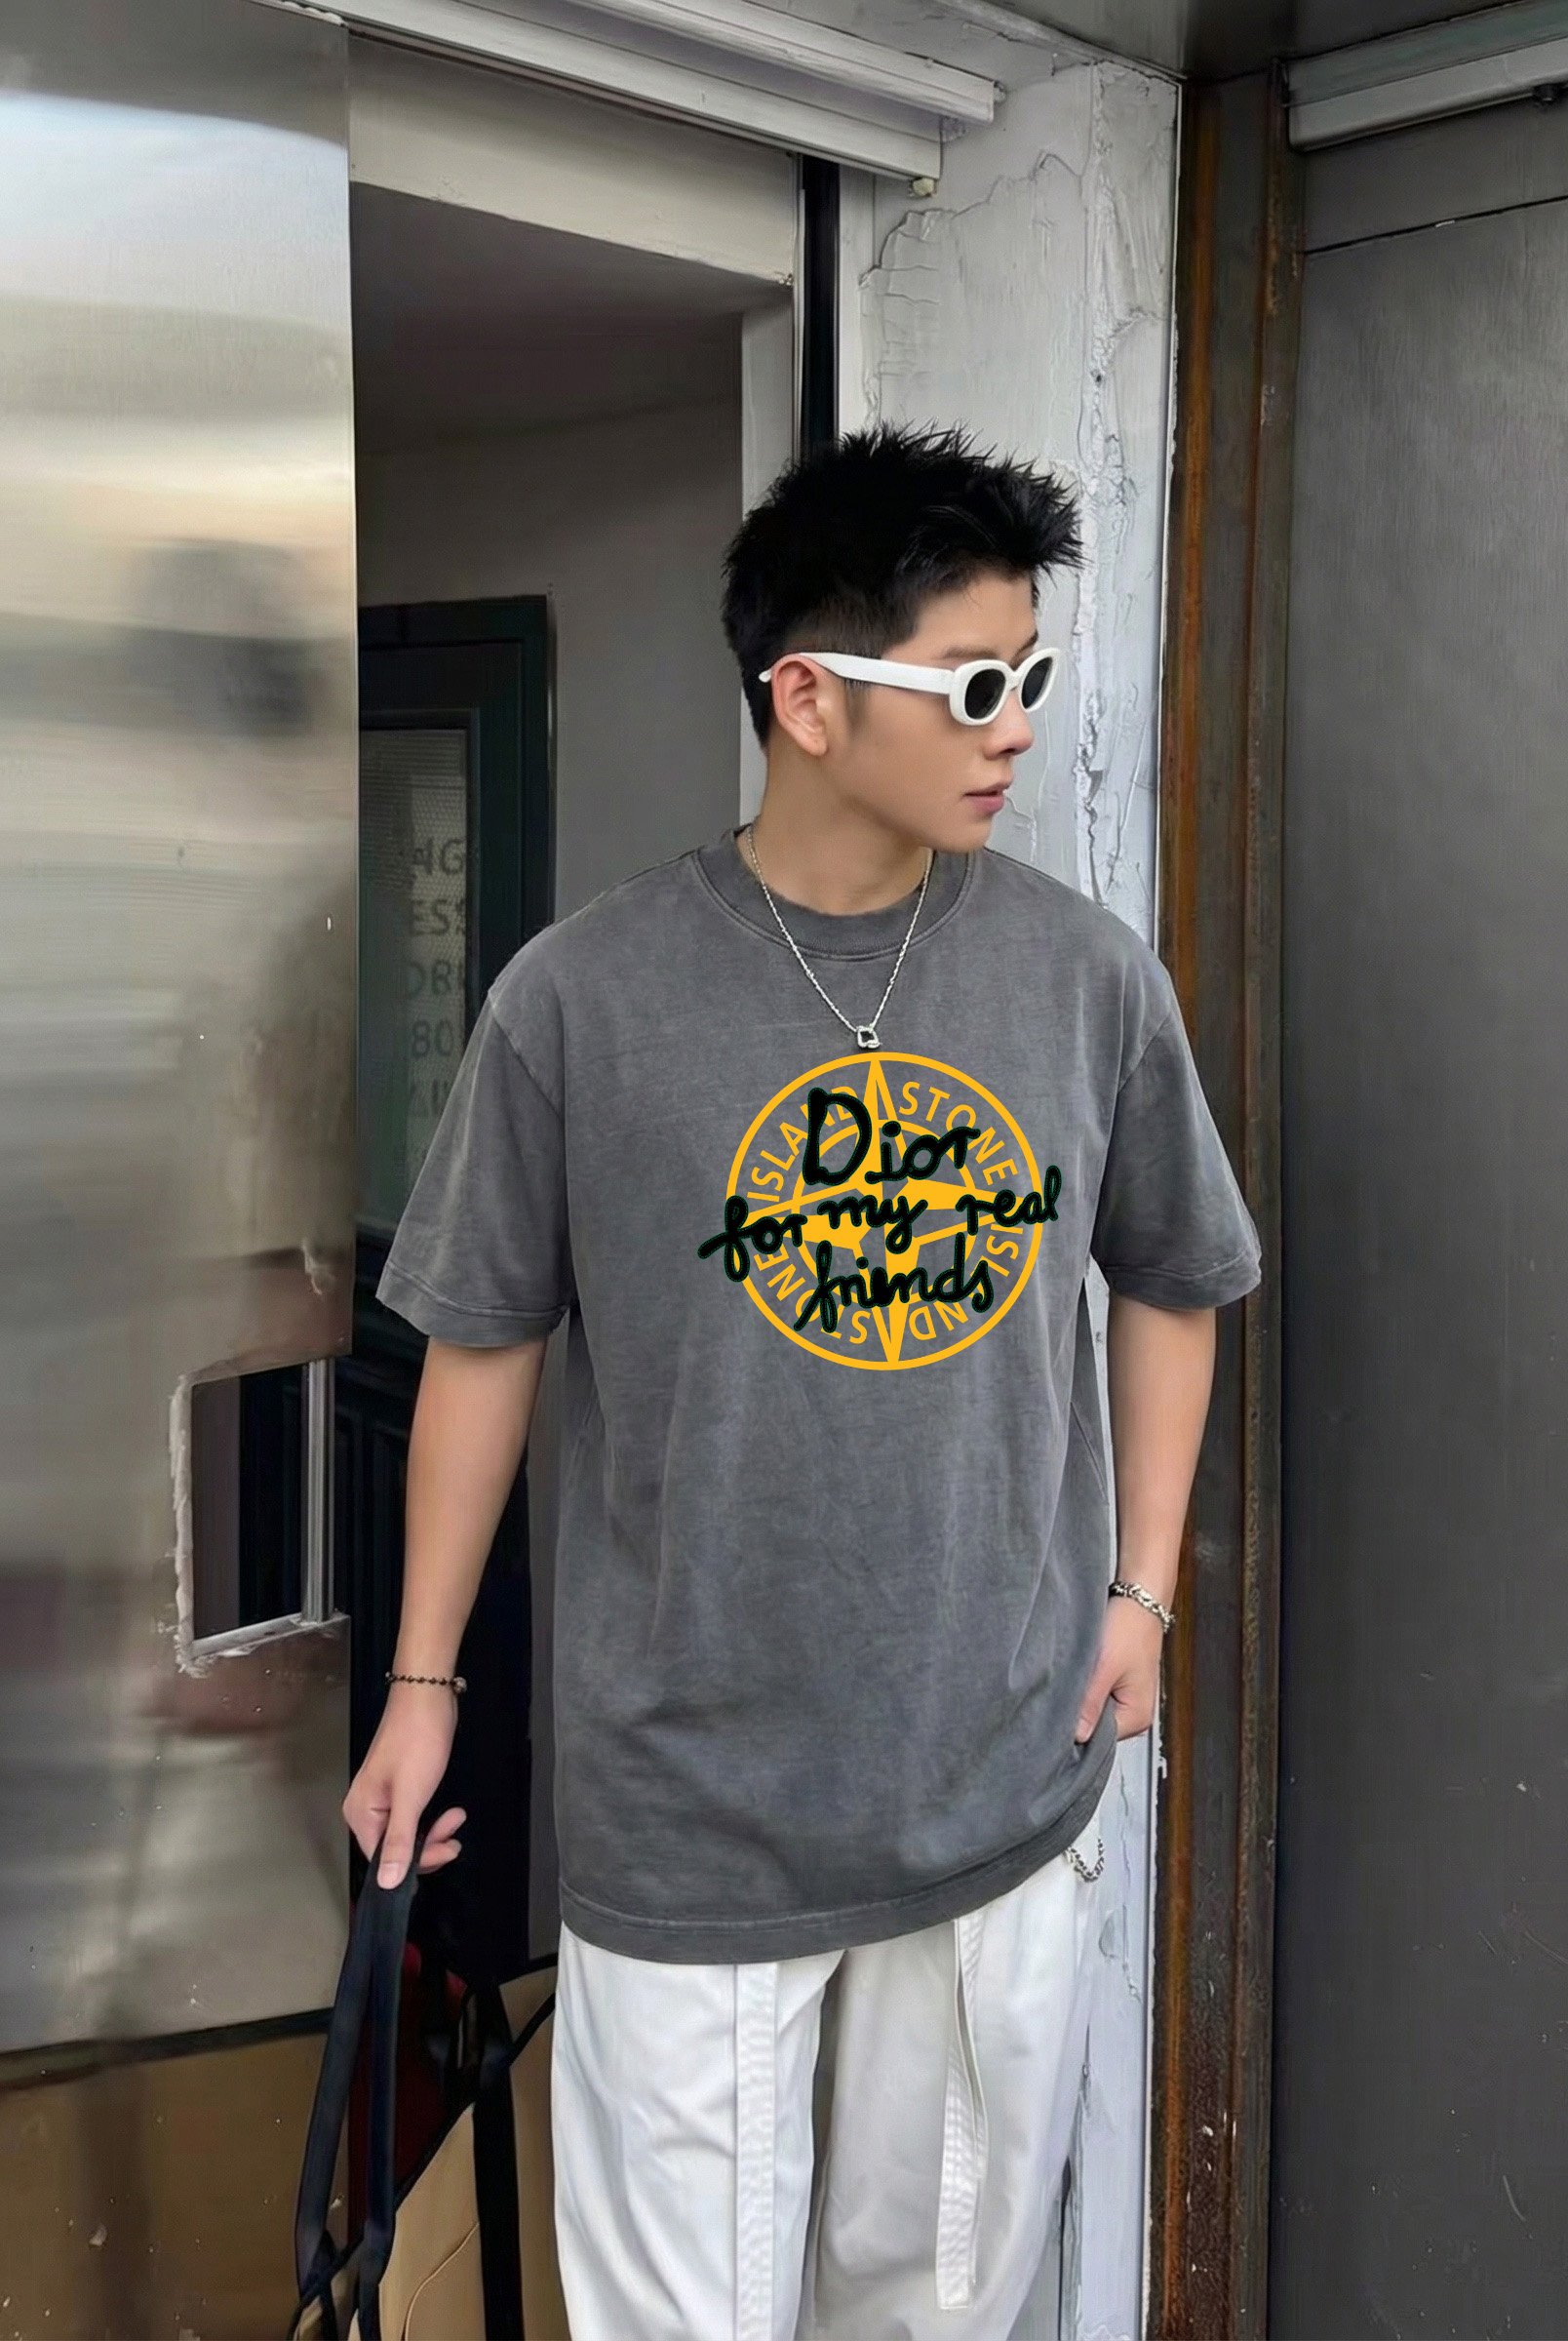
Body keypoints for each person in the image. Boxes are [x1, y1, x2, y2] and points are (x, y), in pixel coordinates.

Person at [345, 420, 1263, 2339]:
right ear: (809, 700)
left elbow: (1172, 1277)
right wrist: (422, 1685)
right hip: (686, 1811)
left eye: (1031, 677)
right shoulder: (579, 1002)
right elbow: (484, 1345)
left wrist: (1142, 1592)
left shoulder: (1084, 978)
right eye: (974, 686)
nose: (1017, 728)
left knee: (937, 2304)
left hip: (992, 1781)